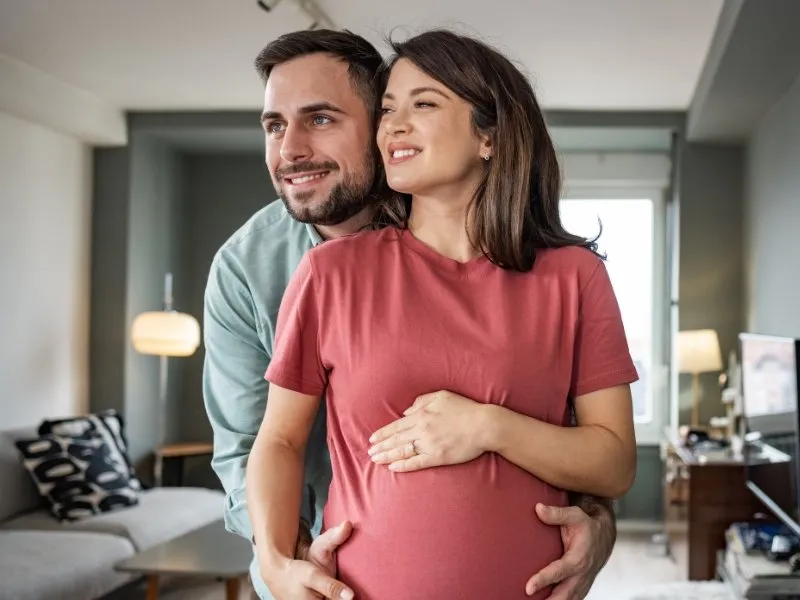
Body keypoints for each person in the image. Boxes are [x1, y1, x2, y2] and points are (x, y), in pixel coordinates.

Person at [203, 28, 624, 600]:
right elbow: (256, 443)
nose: (292, 149)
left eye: (322, 119)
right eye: (275, 126)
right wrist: (278, 560)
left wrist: (594, 517)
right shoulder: (269, 269)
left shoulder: (570, 275)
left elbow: (602, 453)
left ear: (489, 135)